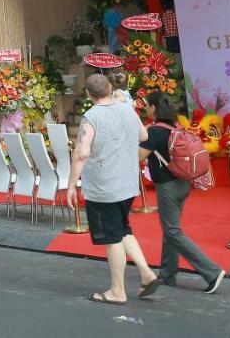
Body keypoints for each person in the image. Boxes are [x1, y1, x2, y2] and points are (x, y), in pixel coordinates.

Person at [66, 74, 158, 305]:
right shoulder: (128, 109)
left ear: (88, 95)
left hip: (103, 186)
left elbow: (81, 153)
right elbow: (144, 135)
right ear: (109, 88)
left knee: (112, 238)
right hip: (127, 183)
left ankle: (117, 291)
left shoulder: (91, 117)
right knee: (122, 229)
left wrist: (70, 185)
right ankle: (146, 273)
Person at [139, 93, 225, 294]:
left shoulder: (155, 132)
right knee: (171, 229)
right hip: (183, 183)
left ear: (153, 108)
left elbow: (139, 156)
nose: (146, 110)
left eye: (147, 107)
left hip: (167, 186)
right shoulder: (175, 128)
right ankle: (167, 274)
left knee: (173, 231)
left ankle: (212, 272)